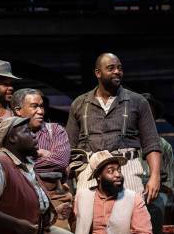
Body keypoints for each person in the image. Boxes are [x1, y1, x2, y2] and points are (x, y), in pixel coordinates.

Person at [66, 53, 163, 207]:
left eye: (119, 68)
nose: (117, 71)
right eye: (111, 68)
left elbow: (152, 143)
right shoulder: (80, 103)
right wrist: (68, 185)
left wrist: (155, 177)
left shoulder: (137, 102)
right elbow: (69, 148)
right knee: (86, 220)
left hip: (127, 167)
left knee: (132, 219)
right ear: (98, 73)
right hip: (90, 168)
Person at [74, 150, 157, 234]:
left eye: (119, 170)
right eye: (110, 171)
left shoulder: (133, 198)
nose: (118, 174)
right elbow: (76, 229)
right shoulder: (82, 197)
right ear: (99, 176)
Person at [12, 88, 73, 230]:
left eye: (41, 106)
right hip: (17, 199)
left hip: (53, 198)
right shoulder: (3, 133)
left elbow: (61, 161)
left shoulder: (56, 131)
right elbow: (1, 165)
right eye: (34, 106)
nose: (41, 111)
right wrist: (38, 153)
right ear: (18, 110)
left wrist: (21, 161)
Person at [142, 93, 174, 234]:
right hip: (133, 192)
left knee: (156, 205)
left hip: (157, 193)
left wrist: (155, 186)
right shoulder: (129, 145)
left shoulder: (164, 147)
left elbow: (169, 186)